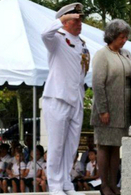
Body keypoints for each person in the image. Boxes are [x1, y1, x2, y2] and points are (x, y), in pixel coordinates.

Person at [41, 2, 90, 195]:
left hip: (76, 99)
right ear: (66, 21)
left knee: (71, 146)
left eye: (81, 20)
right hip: (57, 97)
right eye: (75, 20)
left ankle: (66, 182)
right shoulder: (57, 40)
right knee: (56, 144)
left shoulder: (83, 44)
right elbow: (44, 34)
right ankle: (54, 185)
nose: (80, 24)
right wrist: (61, 21)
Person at [90, 19, 131, 195]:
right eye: (121, 37)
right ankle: (104, 185)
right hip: (107, 109)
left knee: (116, 146)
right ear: (112, 36)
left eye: (126, 37)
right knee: (104, 146)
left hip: (123, 110)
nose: (124, 40)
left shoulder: (126, 54)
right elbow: (97, 84)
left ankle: (114, 184)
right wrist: (103, 110)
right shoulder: (102, 55)